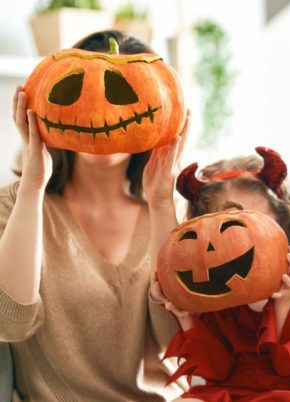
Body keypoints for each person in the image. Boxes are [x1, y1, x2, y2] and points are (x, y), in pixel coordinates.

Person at [0, 30, 188, 401]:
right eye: (78, 93)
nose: (102, 113)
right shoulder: (13, 204)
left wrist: (164, 206)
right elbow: (9, 323)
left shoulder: (174, 211)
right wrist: (34, 185)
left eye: (120, 94)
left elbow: (179, 343)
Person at [153, 147, 290, 402]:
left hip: (282, 393)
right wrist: (186, 317)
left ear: (281, 219)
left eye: (252, 220)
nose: (244, 238)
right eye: (227, 228)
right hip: (225, 392)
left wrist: (284, 301)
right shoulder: (215, 292)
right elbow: (217, 369)